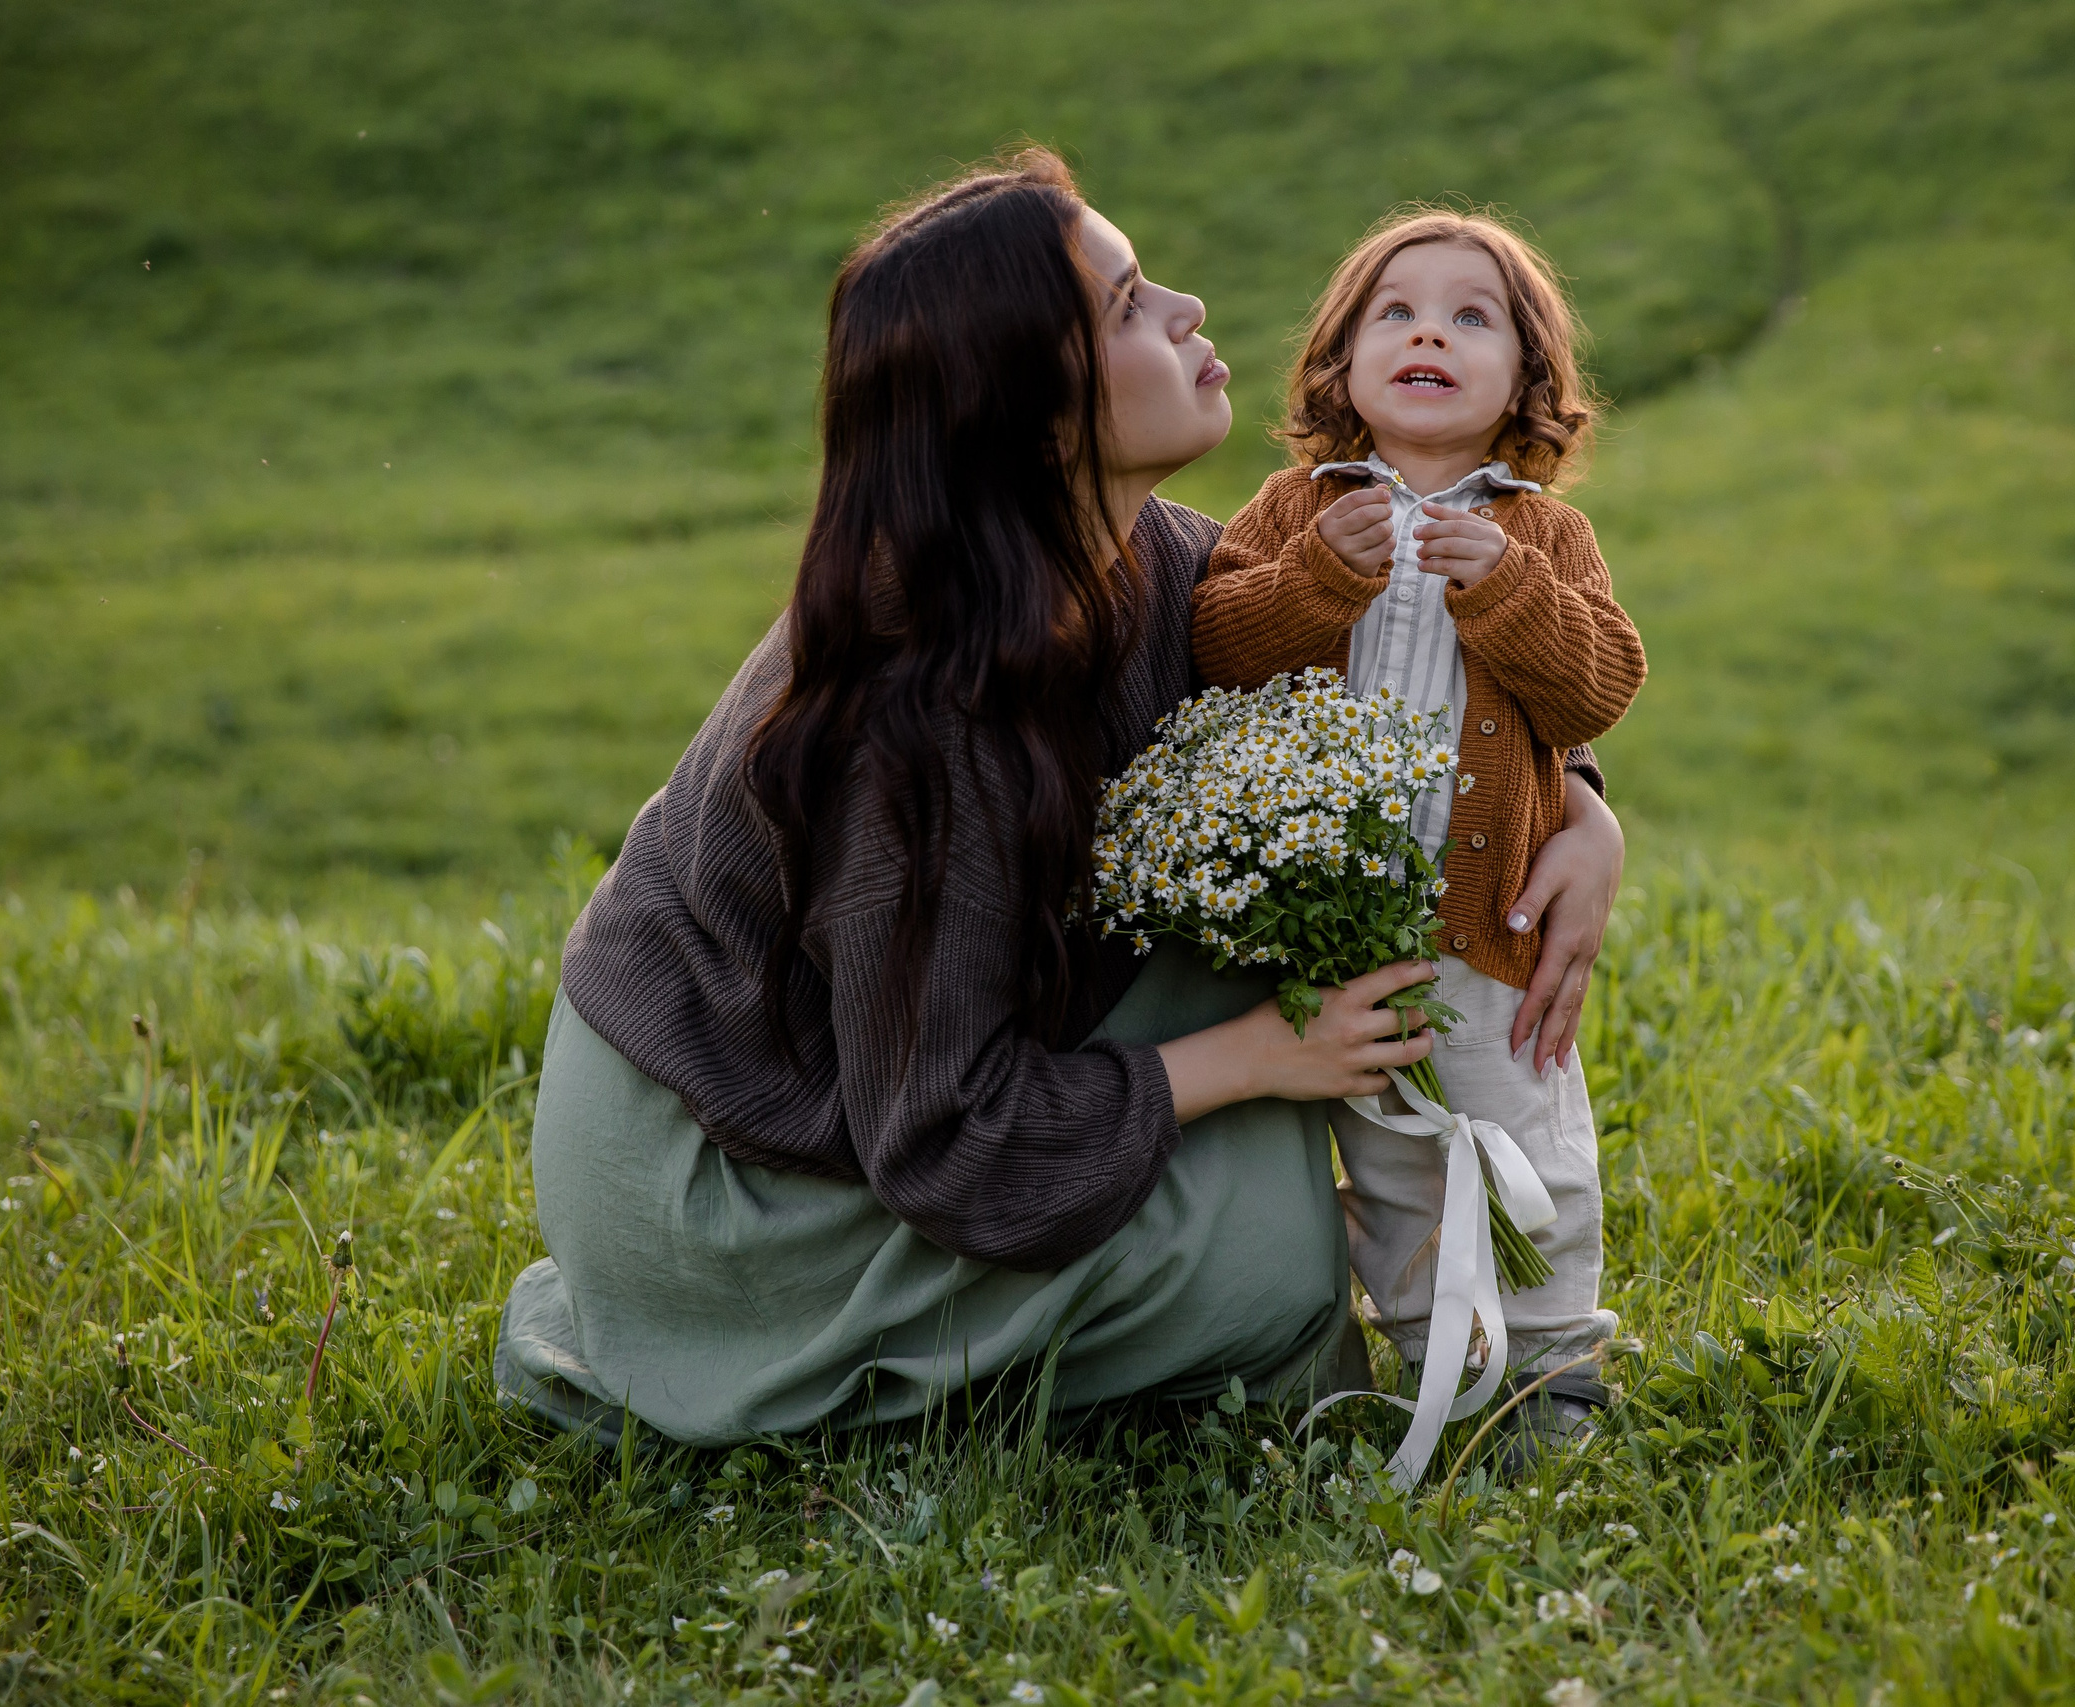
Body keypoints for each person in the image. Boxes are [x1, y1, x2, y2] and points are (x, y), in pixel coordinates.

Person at [494, 153, 1628, 1447]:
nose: (1191, 310)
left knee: (1264, 1129)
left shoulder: (1140, 552)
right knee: (1265, 1267)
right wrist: (1257, 1058)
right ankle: (731, 1350)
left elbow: (1379, 673)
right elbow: (946, 1137)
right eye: (1132, 303)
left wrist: (1583, 813)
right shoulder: (921, 715)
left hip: (877, 1076)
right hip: (723, 1162)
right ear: (1033, 412)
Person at [1190, 207, 1645, 1454]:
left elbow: (1597, 690)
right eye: (1394, 312)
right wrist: (1313, 581)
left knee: (1522, 1137)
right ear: (1339, 362)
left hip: (1486, 926)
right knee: (1390, 1162)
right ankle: (1434, 1366)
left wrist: (1504, 585)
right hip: (1324, 930)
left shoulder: (1544, 535)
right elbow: (1214, 649)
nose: (1427, 333)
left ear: (1526, 381)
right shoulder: (1296, 509)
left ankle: (1549, 1374)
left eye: (1469, 318)